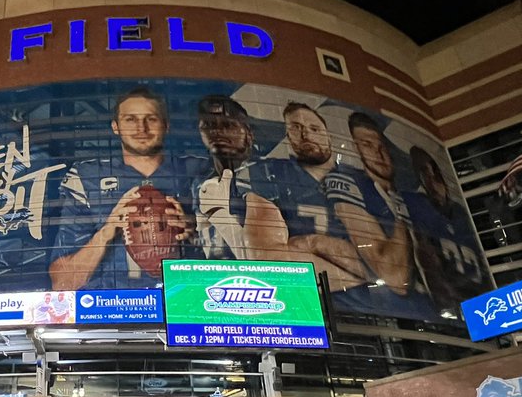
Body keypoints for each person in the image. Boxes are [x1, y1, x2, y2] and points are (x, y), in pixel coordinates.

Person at [195, 97, 368, 291]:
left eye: (228, 125)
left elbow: (268, 265)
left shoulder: (357, 182)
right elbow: (268, 264)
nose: (218, 132)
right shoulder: (201, 181)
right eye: (209, 125)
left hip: (321, 304)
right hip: (230, 295)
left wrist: (313, 243)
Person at [49, 87, 193, 289]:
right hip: (112, 310)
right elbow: (62, 283)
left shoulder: (196, 171)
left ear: (166, 125)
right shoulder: (87, 176)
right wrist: (107, 231)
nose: (141, 128)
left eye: (151, 119)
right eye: (130, 119)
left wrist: (198, 230)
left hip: (185, 305)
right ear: (115, 127)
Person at [323, 113, 437, 319]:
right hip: (388, 317)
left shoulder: (414, 200)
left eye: (382, 147)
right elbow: (395, 277)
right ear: (356, 150)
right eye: (367, 145)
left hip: (434, 314)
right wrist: (399, 212)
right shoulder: (351, 185)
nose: (378, 154)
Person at [404, 145, 490, 310]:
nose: (430, 177)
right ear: (419, 176)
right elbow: (427, 261)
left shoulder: (460, 214)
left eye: (433, 170)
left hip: (477, 297)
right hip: (452, 305)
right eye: (424, 171)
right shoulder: (415, 205)